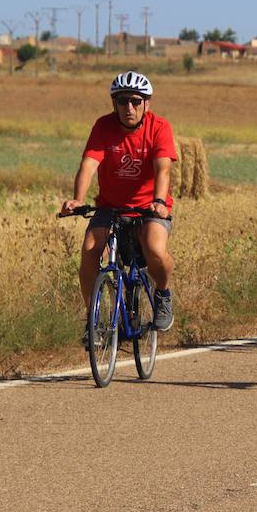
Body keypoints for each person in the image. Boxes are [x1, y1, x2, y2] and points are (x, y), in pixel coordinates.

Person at [60, 71, 177, 344]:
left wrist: (159, 202)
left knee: (154, 247)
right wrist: (77, 199)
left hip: (149, 208)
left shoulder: (159, 127)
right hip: (110, 207)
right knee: (90, 249)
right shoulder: (103, 126)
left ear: (147, 103)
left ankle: (162, 294)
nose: (129, 108)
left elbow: (163, 169)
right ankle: (94, 320)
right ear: (114, 103)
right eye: (123, 101)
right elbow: (89, 164)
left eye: (136, 101)